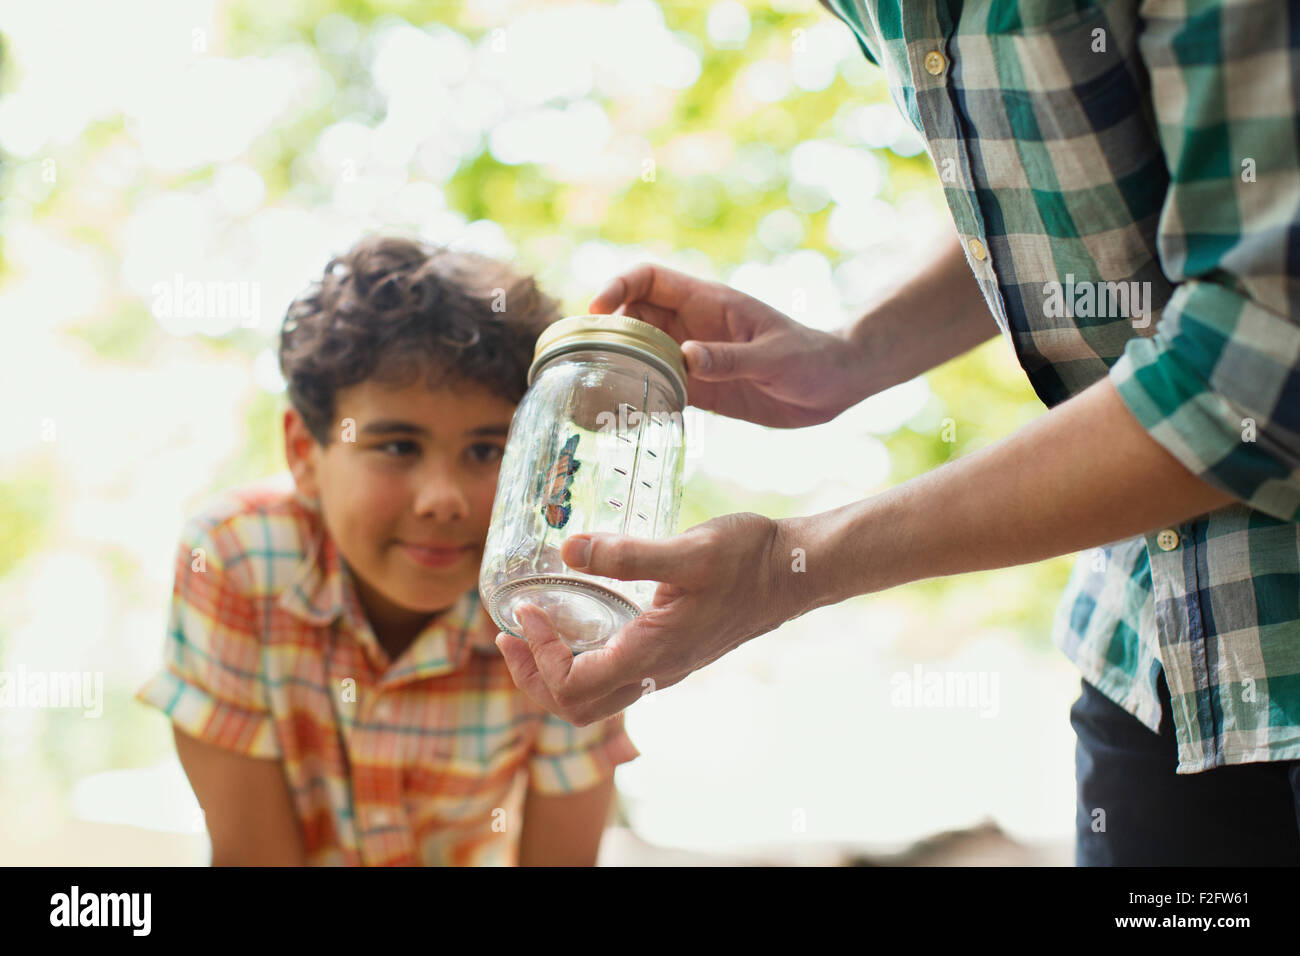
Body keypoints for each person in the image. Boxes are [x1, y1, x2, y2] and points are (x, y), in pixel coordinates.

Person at [496, 0, 1300, 865]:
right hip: (1153, 642)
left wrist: (788, 569)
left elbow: (1257, 357)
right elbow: (1072, 182)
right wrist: (851, 355)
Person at [135, 235, 638, 866]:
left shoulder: (563, 614)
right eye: (398, 446)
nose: (442, 499)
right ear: (302, 452)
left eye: (487, 451)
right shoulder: (237, 558)